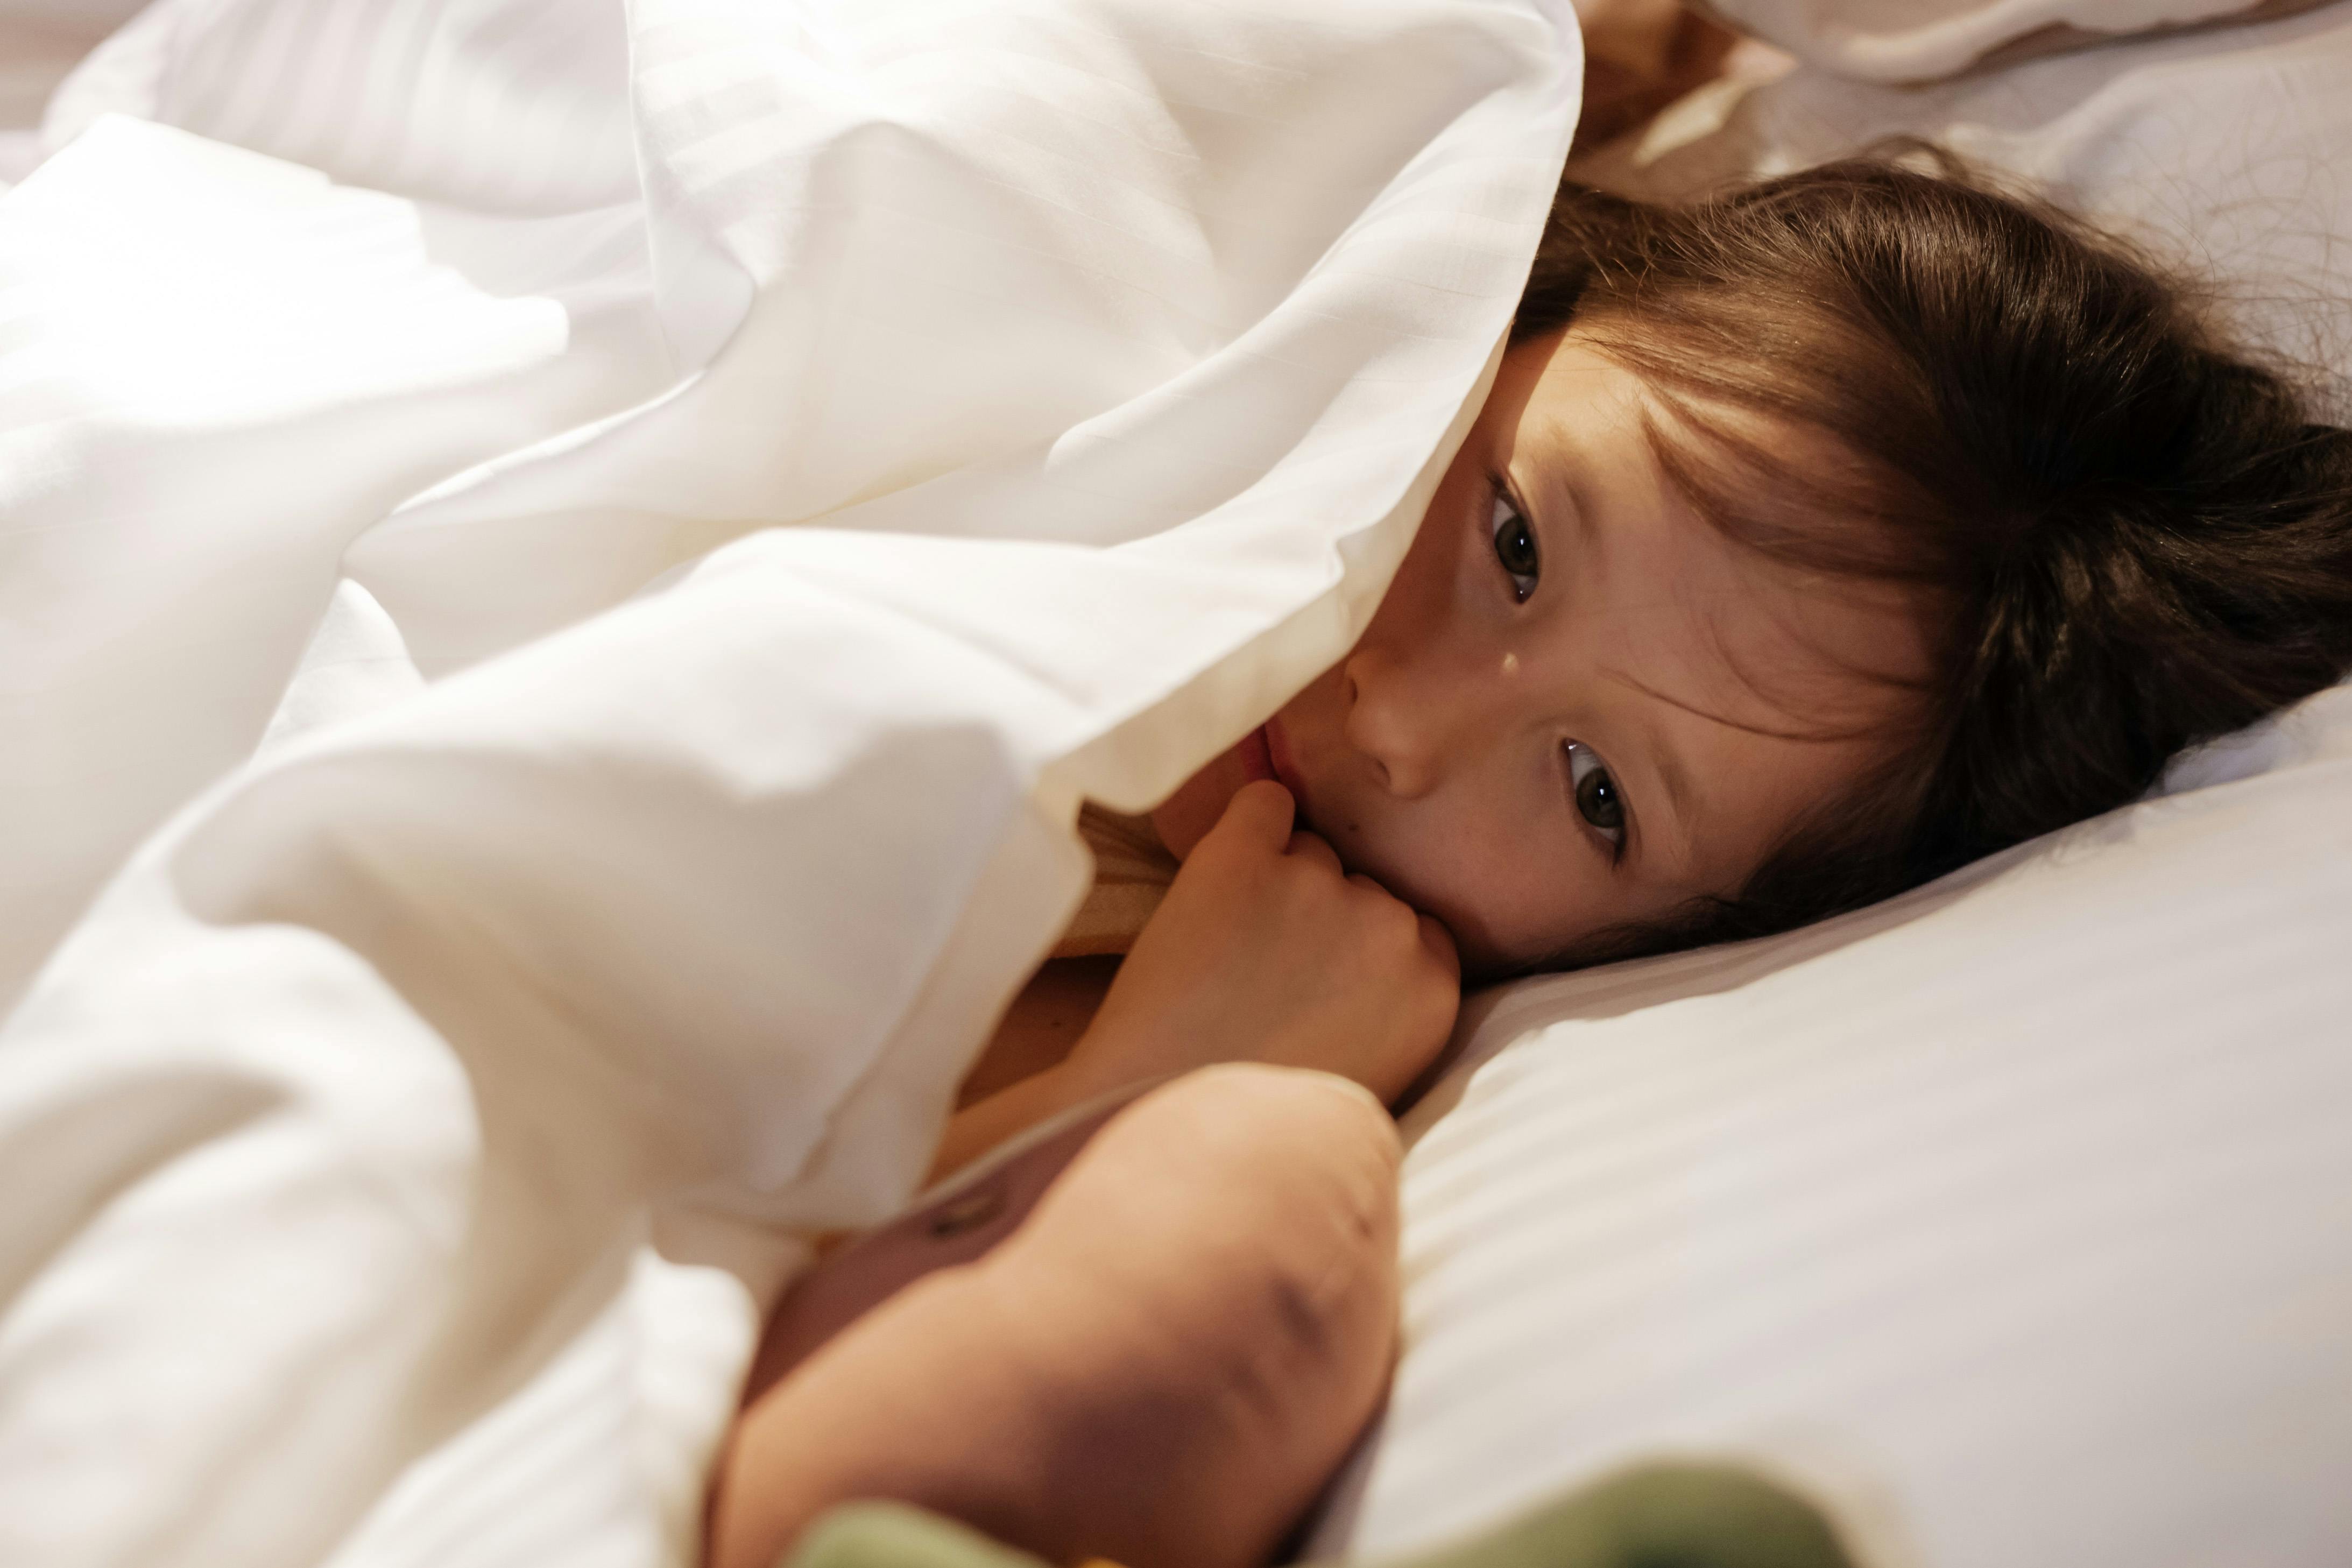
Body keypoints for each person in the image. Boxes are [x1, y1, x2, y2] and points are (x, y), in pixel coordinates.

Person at [710, 155, 2352, 1568]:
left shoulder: (1219, 1024)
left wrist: (1154, 1076)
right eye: (1513, 538)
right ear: (1525, 311)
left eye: (1593, 794)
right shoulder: (1095, 350)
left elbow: (629, 1386)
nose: (1404, 721)